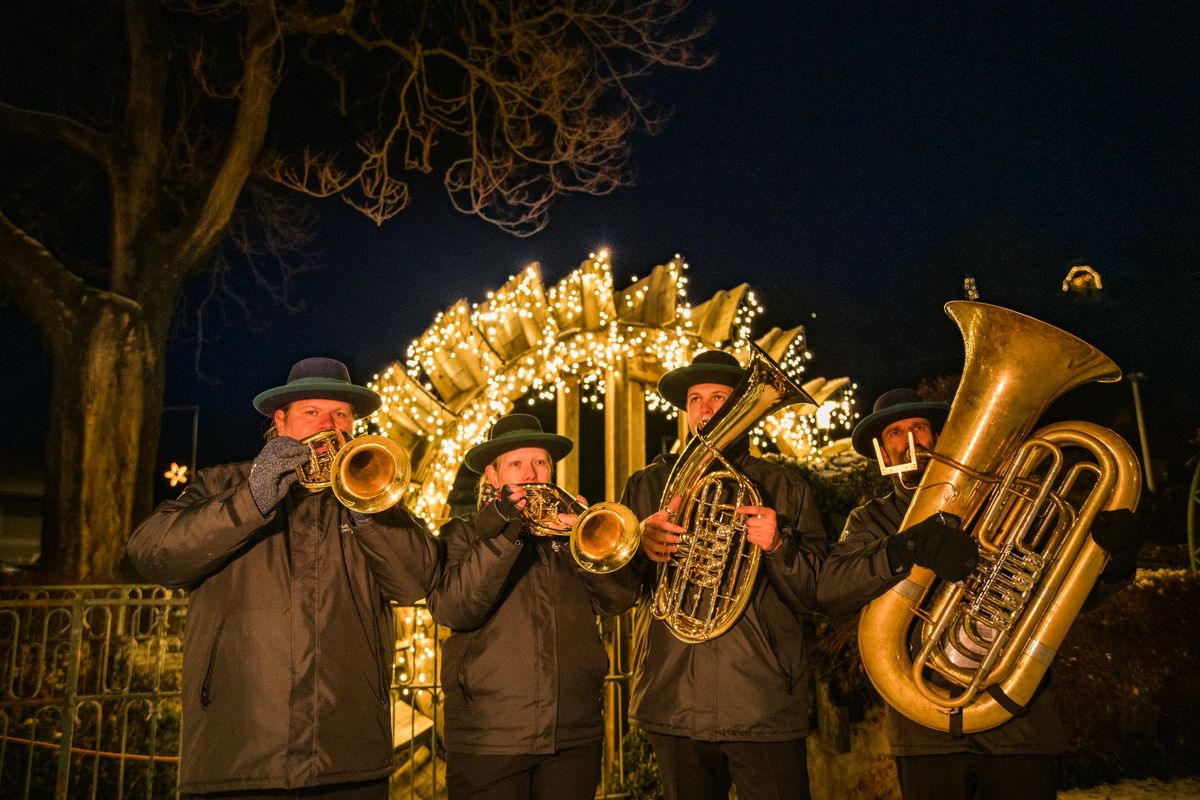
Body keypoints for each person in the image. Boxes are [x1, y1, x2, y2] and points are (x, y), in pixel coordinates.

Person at [128, 357, 441, 800]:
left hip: (349, 756)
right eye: (311, 412)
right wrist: (250, 499)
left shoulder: (371, 493)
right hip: (241, 753)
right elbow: (152, 554)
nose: (328, 425)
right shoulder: (222, 482)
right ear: (281, 419)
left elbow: (418, 582)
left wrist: (370, 511)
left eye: (341, 414)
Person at [817, 387, 1143, 800]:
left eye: (919, 427)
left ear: (939, 436)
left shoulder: (1010, 502)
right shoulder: (872, 518)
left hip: (1018, 720)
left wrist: (1112, 563)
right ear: (882, 450)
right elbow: (831, 590)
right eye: (895, 433)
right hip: (923, 728)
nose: (910, 440)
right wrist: (906, 548)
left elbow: (1066, 599)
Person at [619, 350, 828, 800]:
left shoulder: (785, 486)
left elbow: (817, 591)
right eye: (695, 399)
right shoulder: (647, 486)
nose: (706, 409)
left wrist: (778, 544)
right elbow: (616, 594)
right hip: (672, 696)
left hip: (761, 700)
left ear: (742, 408)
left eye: (719, 397)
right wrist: (638, 544)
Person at [427, 413, 640, 800]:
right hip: (488, 739)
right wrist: (507, 532)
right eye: (516, 464)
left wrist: (584, 540)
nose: (530, 473)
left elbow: (619, 598)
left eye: (539, 462)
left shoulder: (570, 537)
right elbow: (454, 608)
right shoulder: (462, 534)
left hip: (573, 735)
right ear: (492, 476)